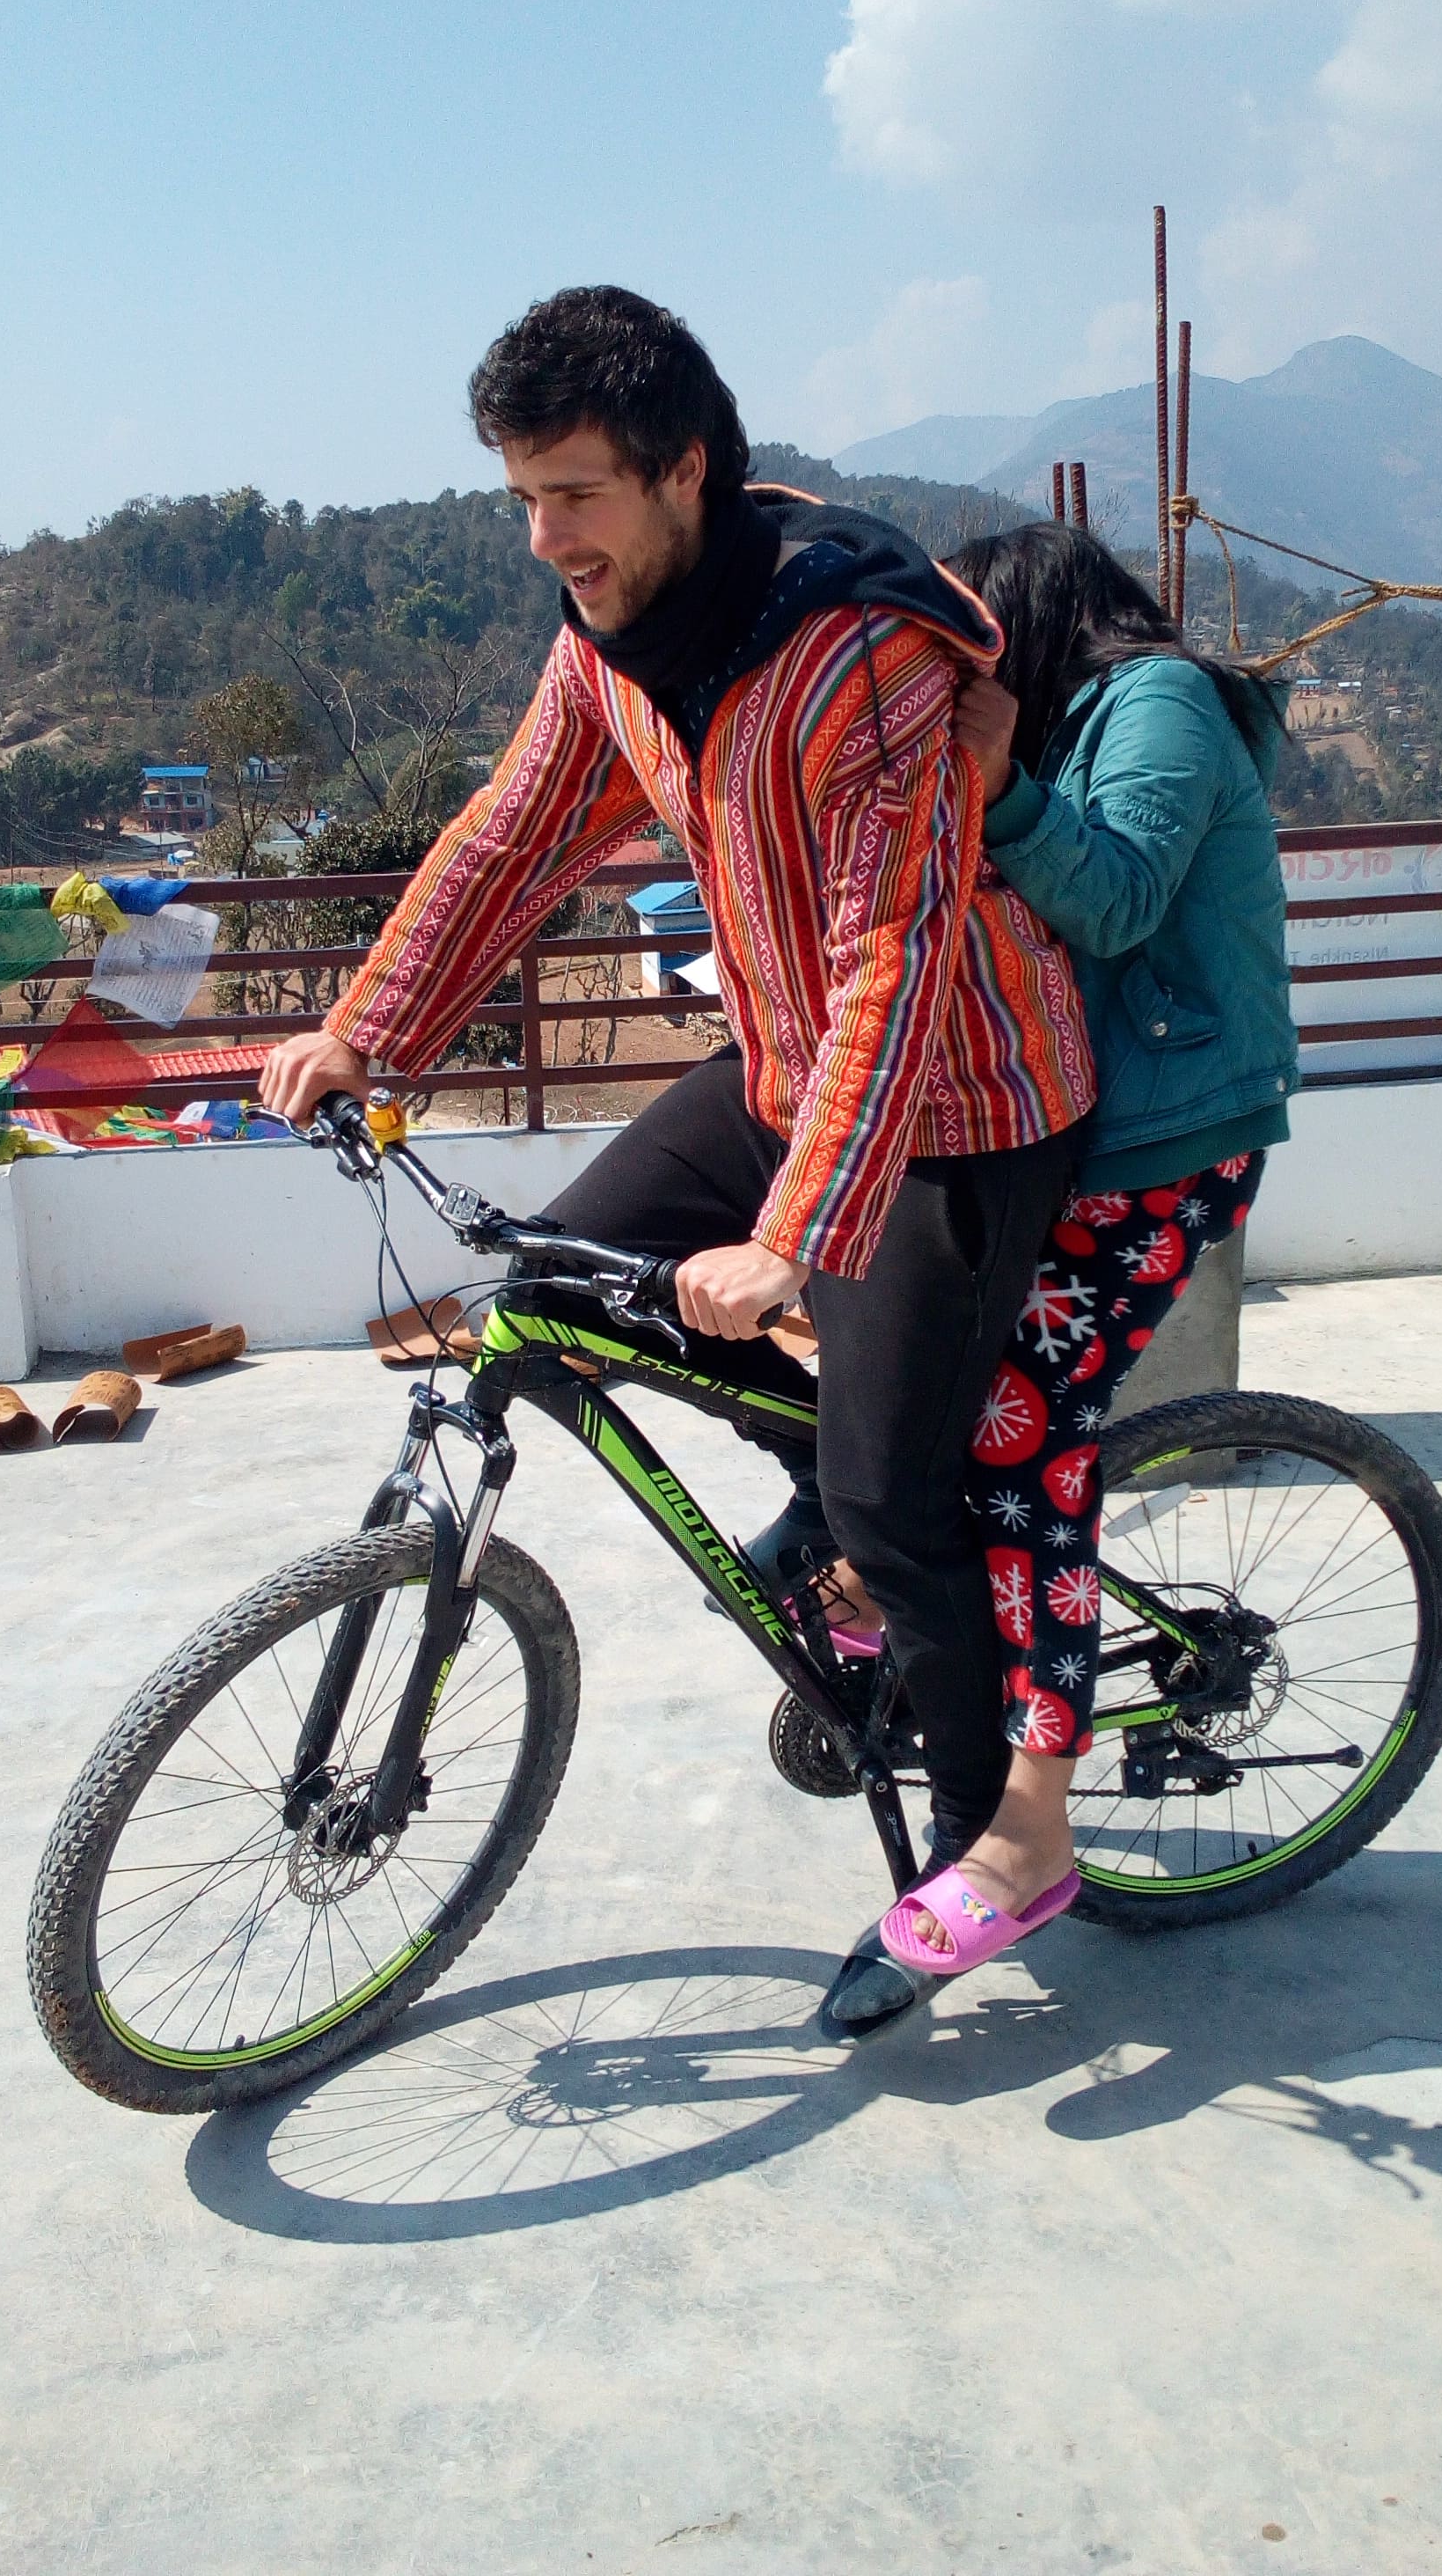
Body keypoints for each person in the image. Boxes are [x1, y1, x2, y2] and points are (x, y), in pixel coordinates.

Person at [258, 288, 1096, 1999]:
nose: (545, 538)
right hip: (787, 1071)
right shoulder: (614, 640)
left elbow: (893, 957)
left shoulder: (860, 653)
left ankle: (986, 1851)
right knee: (553, 1298)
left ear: (685, 469)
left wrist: (793, 1240)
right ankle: (828, 1494)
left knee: (895, 1495)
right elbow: (513, 836)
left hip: (958, 1104)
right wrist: (368, 1030)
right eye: (522, 499)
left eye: (574, 494)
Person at [857, 517, 1298, 1971]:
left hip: (1163, 1147)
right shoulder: (1071, 725)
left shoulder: (1158, 701)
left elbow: (1114, 898)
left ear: (1033, 621)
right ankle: (891, 1598)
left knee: (1018, 1443)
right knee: (892, 1369)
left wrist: (1000, 780)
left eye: (977, 639)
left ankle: (1033, 1821)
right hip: (1055, 1131)